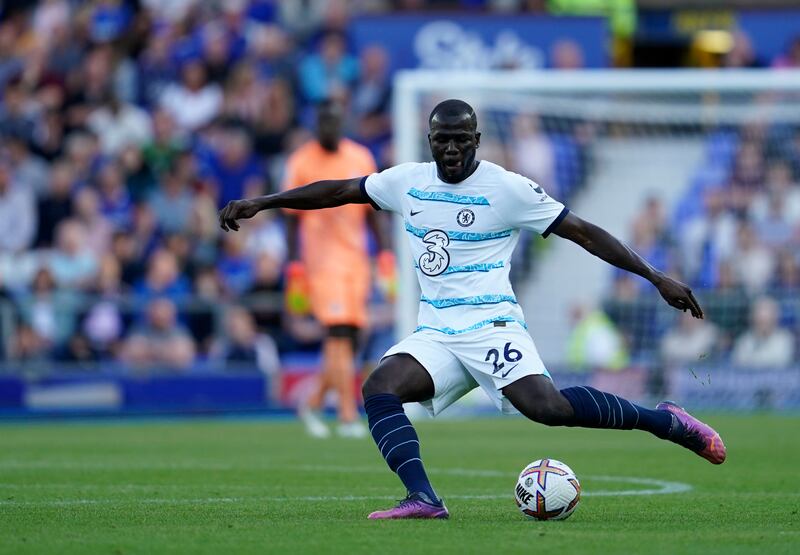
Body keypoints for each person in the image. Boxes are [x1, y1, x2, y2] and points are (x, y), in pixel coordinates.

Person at [219, 99, 726, 520]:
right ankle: (424, 498)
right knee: (380, 387)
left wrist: (656, 276)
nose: (453, 147)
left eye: (463, 138)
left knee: (548, 410)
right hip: (437, 332)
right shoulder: (408, 182)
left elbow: (584, 232)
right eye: (443, 139)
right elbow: (338, 190)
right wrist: (264, 202)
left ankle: (666, 422)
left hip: (491, 324)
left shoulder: (507, 189)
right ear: (430, 141)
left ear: (478, 140)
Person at [282, 99, 393, 439]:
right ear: (317, 125)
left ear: (342, 123)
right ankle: (346, 414)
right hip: (321, 262)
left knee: (349, 337)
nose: (329, 128)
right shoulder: (301, 161)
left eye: (335, 122)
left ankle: (313, 403)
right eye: (324, 122)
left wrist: (385, 254)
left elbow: (373, 211)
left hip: (356, 261)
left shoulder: (360, 156)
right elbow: (289, 217)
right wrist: (295, 265)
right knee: (338, 333)